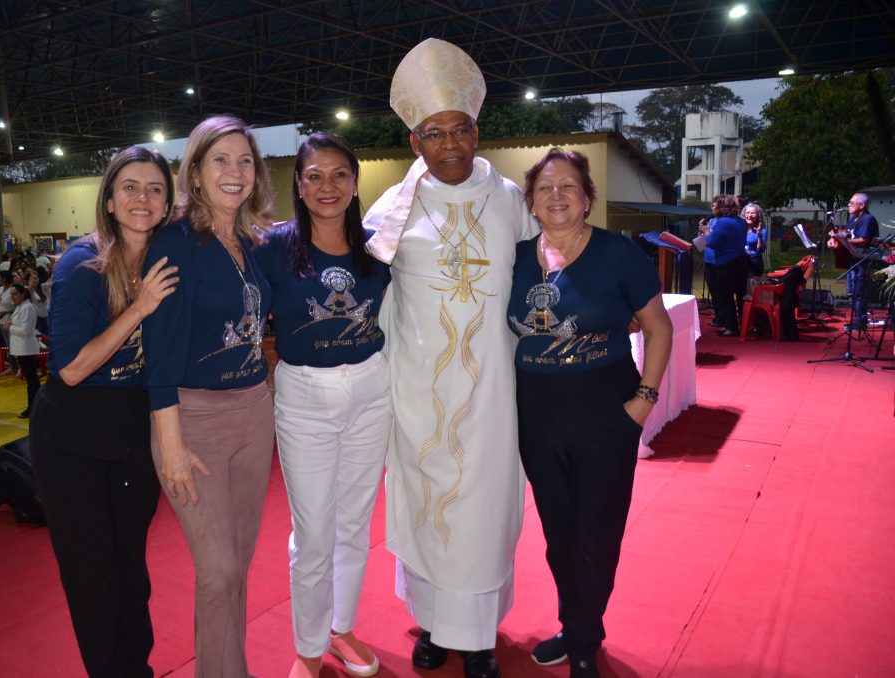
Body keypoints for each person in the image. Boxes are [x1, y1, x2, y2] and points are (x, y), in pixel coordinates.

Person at [362, 38, 536, 678]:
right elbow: (365, 297)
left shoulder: (515, 202)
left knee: (484, 511)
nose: (452, 145)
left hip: (493, 392)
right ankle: (435, 625)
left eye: (461, 130)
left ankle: (482, 636)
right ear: (415, 142)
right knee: (427, 506)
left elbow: (548, 280)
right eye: (434, 134)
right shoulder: (392, 212)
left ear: (478, 130)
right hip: (419, 392)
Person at [508, 149, 672, 678]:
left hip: (608, 415)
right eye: (545, 188)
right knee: (559, 534)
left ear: (587, 198)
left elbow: (659, 329)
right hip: (537, 416)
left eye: (569, 186)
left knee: (595, 532)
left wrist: (642, 403)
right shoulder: (512, 259)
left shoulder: (618, 254)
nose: (557, 196)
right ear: (530, 201)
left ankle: (584, 637)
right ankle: (578, 625)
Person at [30, 146, 178, 677]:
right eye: (131, 188)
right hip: (74, 433)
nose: (143, 198)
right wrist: (139, 308)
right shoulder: (82, 263)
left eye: (155, 188)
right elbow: (69, 368)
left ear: (167, 202)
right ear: (110, 200)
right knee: (93, 573)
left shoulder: (165, 259)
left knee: (131, 571)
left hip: (132, 429)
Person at [254, 132, 392, 678]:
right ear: (298, 183)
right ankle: (308, 648)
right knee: (313, 532)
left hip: (370, 387)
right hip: (305, 394)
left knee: (354, 524)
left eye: (339, 174)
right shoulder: (271, 246)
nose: (328, 186)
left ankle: (341, 628)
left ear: (356, 183)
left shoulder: (380, 245)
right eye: (315, 175)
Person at [143, 114, 276, 678]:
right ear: (194, 173)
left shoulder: (250, 239)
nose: (235, 171)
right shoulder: (175, 242)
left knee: (237, 569)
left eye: (245, 160)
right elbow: (160, 349)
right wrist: (169, 445)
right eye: (220, 159)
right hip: (192, 419)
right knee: (217, 570)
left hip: (253, 413)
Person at [828, 192, 880, 329]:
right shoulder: (853, 219)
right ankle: (857, 318)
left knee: (859, 292)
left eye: (852, 203)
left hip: (863, 260)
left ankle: (861, 321)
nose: (848, 205)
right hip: (853, 259)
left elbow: (863, 241)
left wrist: (843, 240)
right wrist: (834, 239)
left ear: (862, 205)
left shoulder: (868, 219)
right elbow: (846, 233)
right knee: (852, 291)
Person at [698, 195, 748, 336]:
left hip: (727, 262)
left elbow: (713, 243)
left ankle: (731, 327)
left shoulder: (723, 222)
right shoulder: (740, 221)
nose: (713, 209)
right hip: (740, 261)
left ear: (721, 207)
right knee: (738, 295)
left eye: (715, 206)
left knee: (724, 296)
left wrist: (707, 232)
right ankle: (742, 324)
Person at [4, 283, 40, 418]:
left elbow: (26, 329)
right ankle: (34, 407)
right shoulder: (21, 307)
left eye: (15, 294)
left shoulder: (27, 308)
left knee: (32, 381)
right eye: (11, 294)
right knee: (31, 380)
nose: (12, 297)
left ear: (23, 294)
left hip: (27, 348)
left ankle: (33, 408)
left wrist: (10, 328)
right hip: (22, 349)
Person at [743, 202, 767, 276]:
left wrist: (759, 235)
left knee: (752, 286)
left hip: (754, 262)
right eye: (747, 213)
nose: (749, 215)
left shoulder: (762, 230)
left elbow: (761, 250)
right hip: (740, 261)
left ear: (758, 216)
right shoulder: (740, 228)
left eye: (753, 213)